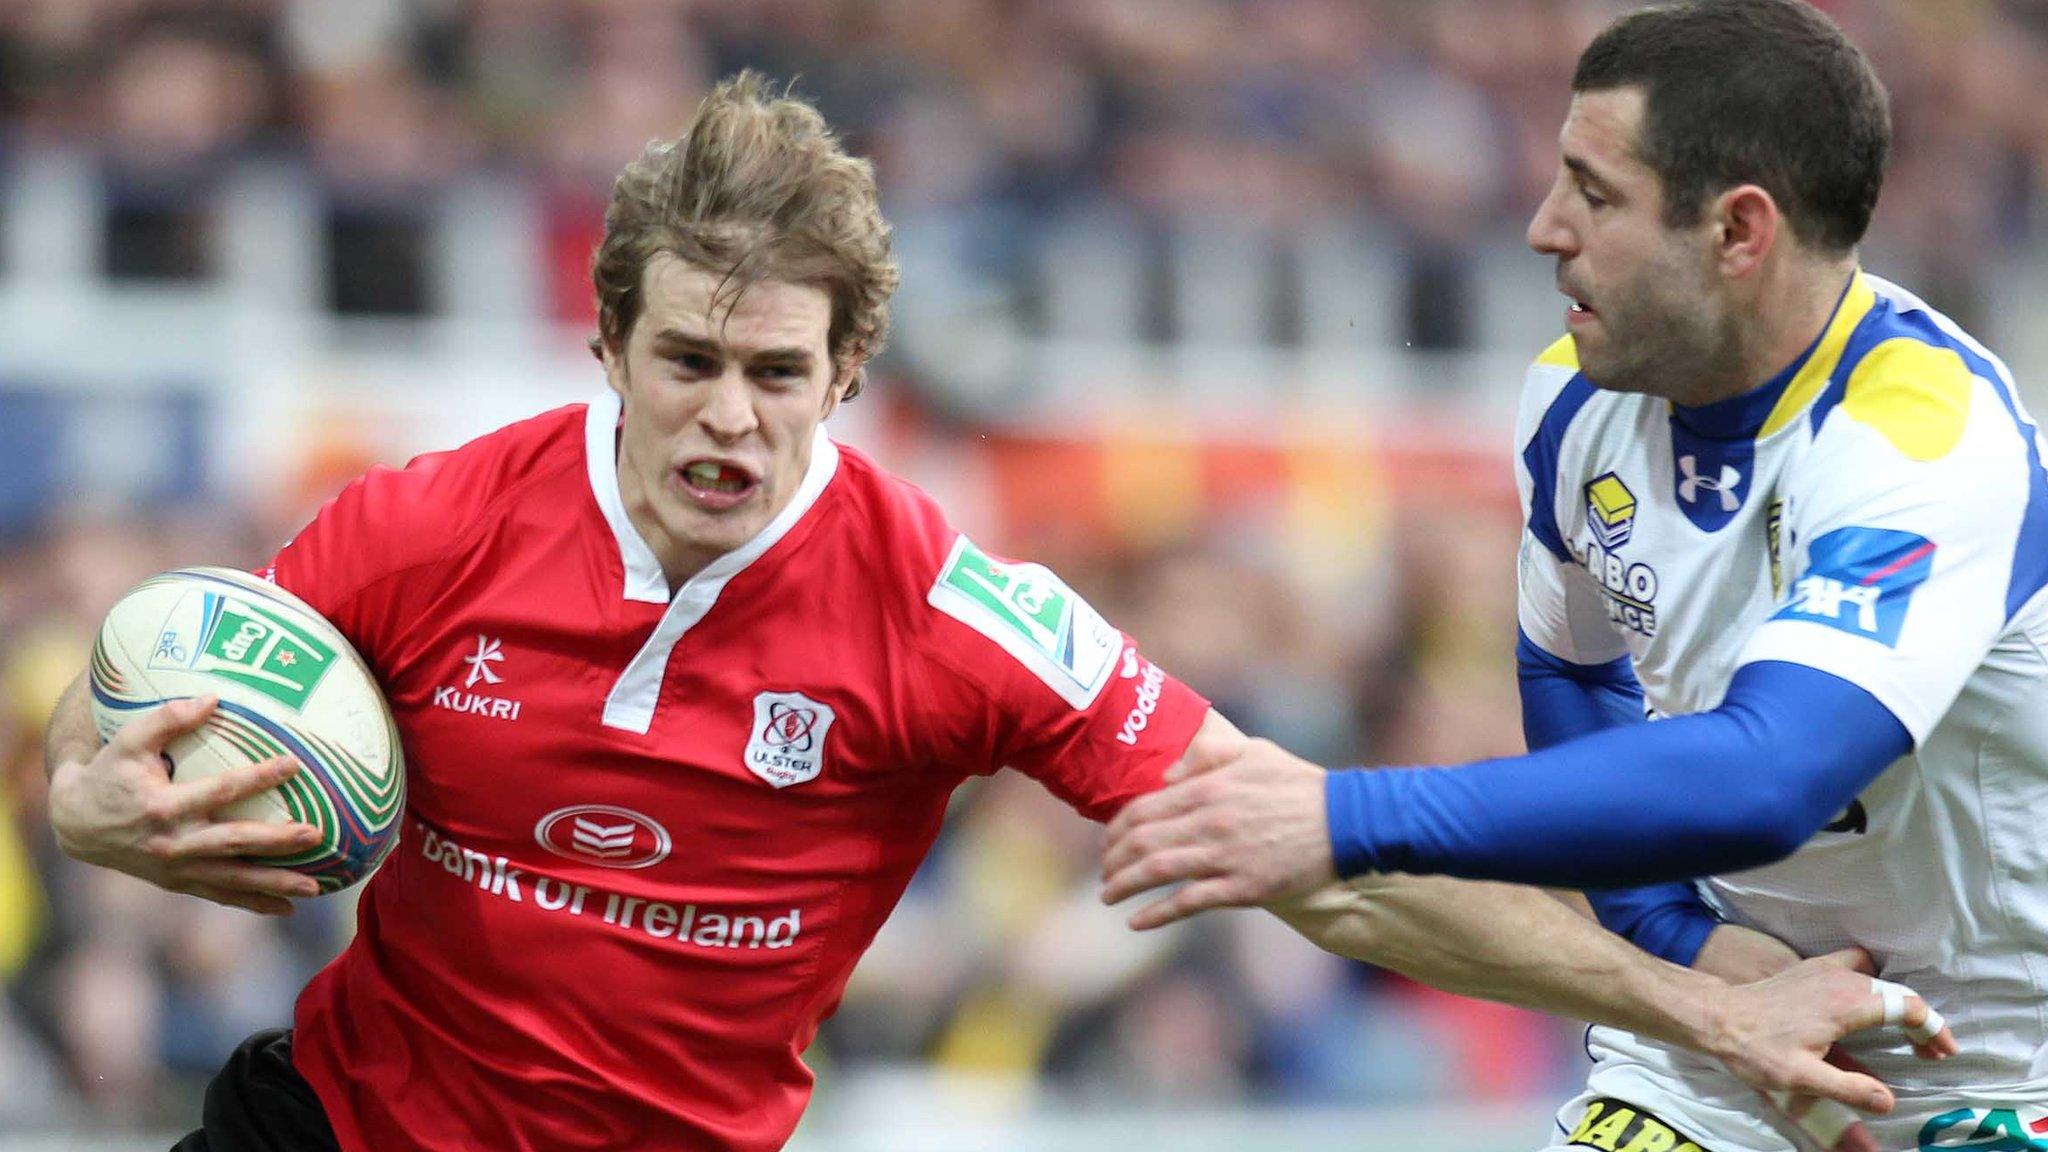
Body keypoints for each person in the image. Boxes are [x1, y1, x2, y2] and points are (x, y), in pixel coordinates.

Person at [46, 72, 1940, 1152]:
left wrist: (1699, 1005)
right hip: (337, 1130)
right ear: (603, 339)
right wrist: (83, 798)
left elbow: (1310, 859)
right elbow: (148, 699)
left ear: (850, 366)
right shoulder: (428, 525)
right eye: (686, 357)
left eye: (777, 369)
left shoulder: (956, 617)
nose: (727, 414)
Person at [1103, 1, 2048, 1149]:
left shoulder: (1923, 439)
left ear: (1737, 232)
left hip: (1999, 1069)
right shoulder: (1573, 395)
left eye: (1594, 194)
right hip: (1727, 1050)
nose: (1544, 228)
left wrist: (1344, 815)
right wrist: (1668, 929)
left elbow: (1769, 775)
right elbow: (1570, 668)